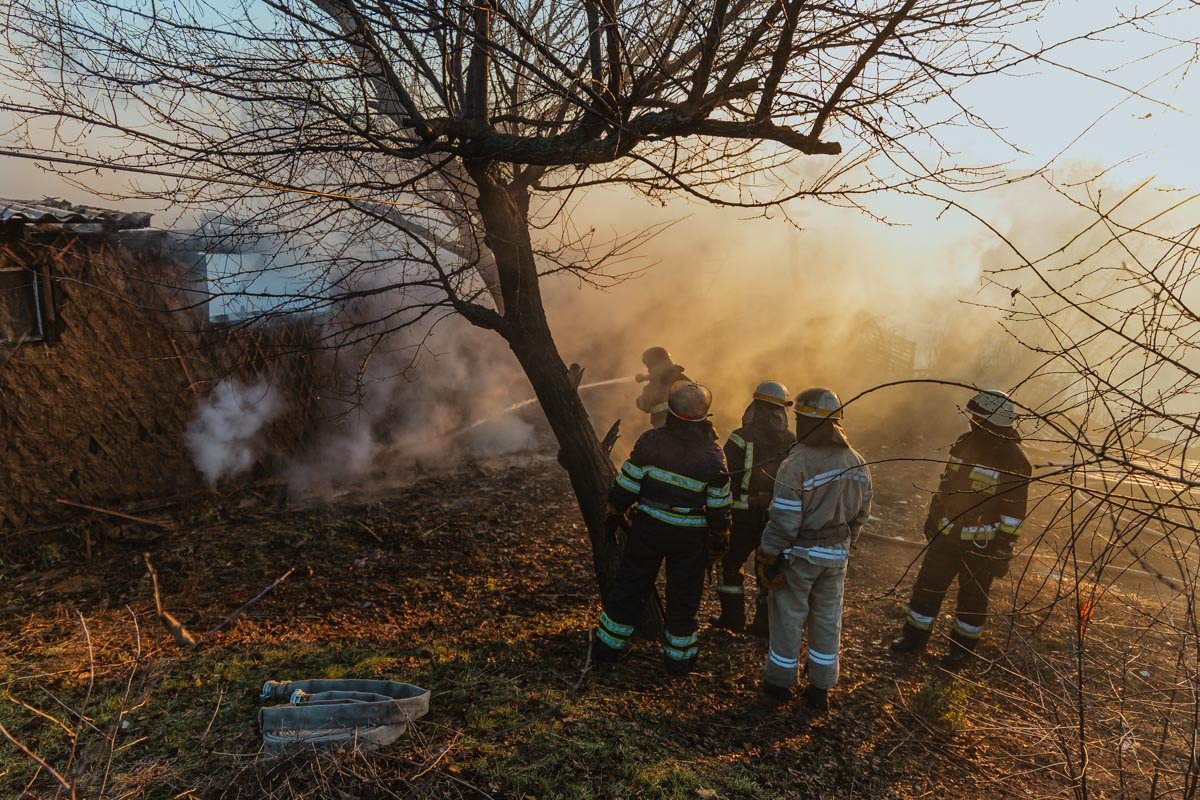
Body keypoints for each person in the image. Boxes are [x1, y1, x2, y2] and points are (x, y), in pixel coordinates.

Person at [592, 380, 732, 675]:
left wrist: (616, 507)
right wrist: (720, 534)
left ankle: (607, 648)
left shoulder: (651, 440)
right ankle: (679, 662)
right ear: (704, 417)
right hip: (690, 537)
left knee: (630, 586)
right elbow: (719, 504)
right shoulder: (713, 455)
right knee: (683, 597)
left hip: (649, 528)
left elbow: (628, 482)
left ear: (670, 412)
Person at [890, 390, 1031, 668]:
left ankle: (961, 651)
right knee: (926, 590)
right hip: (946, 536)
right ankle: (913, 639)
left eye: (977, 418)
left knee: (972, 600)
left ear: (992, 421)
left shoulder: (1015, 461)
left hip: (982, 546)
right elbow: (947, 484)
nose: (972, 422)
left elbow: (1014, 513)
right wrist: (934, 517)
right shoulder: (966, 443)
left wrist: (1003, 549)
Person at [755, 387, 873, 711]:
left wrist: (767, 554)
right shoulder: (857, 461)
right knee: (827, 619)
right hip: (837, 557)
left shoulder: (797, 464)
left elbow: (784, 522)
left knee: (789, 616)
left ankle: (779, 686)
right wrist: (845, 546)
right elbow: (862, 515)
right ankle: (820, 689)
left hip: (800, 555)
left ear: (806, 421)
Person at [712, 380, 795, 635]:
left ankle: (732, 619)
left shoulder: (740, 437)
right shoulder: (793, 440)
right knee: (769, 569)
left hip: (741, 515)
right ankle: (764, 626)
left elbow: (724, 475)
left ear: (754, 406)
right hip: (776, 517)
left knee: (730, 564)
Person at [635, 347, 689, 428]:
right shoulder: (681, 377)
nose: (648, 369)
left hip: (665, 428)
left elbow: (645, 405)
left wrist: (639, 401)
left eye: (649, 365)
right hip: (687, 425)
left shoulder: (655, 385)